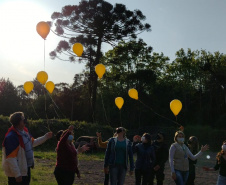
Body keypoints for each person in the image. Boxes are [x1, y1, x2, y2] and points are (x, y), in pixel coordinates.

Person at [2, 112, 53, 185]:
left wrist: (45, 137)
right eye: (23, 119)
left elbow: (32, 143)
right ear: (18, 122)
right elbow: (11, 158)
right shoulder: (11, 137)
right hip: (17, 173)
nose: (25, 120)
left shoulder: (25, 132)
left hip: (25, 169)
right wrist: (17, 174)